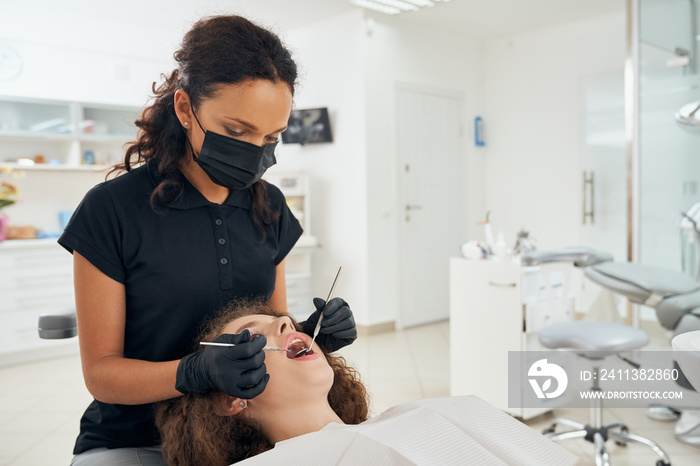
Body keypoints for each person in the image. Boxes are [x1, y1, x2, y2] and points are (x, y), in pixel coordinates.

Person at [58, 15, 357, 465]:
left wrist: (309, 337)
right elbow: (102, 374)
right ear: (184, 109)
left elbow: (268, 320)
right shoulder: (112, 210)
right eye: (237, 131)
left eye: (271, 137)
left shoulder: (269, 206)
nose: (255, 151)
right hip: (134, 437)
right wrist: (192, 372)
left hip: (244, 432)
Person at [155, 299, 580, 466]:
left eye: (281, 319)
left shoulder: (427, 412)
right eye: (252, 334)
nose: (286, 320)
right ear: (230, 399)